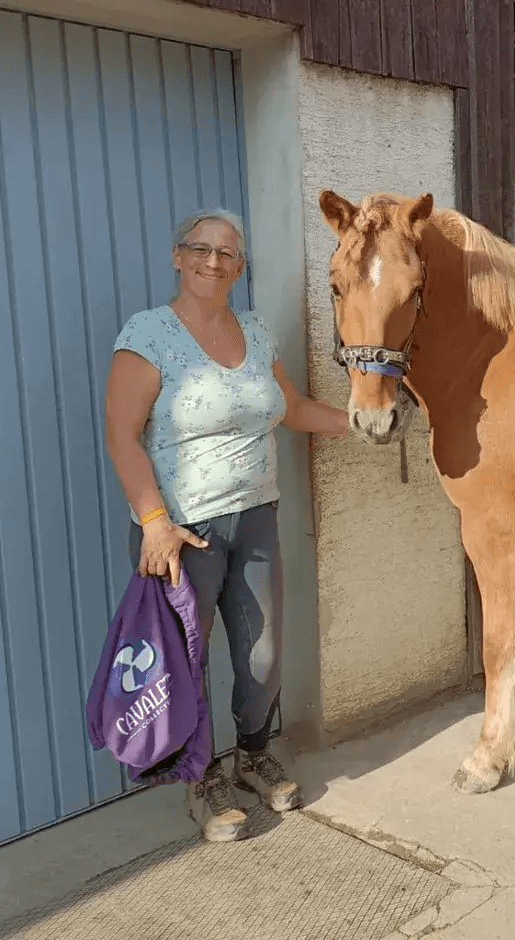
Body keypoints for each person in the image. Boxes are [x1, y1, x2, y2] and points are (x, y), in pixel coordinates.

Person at [105, 207, 348, 842]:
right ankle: (201, 780)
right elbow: (122, 436)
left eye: (228, 253)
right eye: (201, 249)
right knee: (185, 663)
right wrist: (153, 522)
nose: (214, 261)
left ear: (240, 266)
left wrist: (363, 422)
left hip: (256, 517)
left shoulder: (255, 330)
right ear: (179, 256)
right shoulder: (149, 333)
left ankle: (253, 755)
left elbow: (289, 407)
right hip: (183, 531)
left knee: (263, 655)